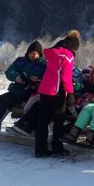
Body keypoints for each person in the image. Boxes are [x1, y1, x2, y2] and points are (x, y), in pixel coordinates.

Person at [0, 40, 46, 140]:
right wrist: (16, 77)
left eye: (37, 54)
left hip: (28, 94)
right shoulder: (21, 61)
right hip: (15, 91)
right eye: (32, 53)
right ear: (28, 53)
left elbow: (43, 78)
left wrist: (33, 80)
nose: (34, 55)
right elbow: (10, 71)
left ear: (40, 54)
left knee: (7, 102)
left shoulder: (42, 65)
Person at [34, 30, 80, 158]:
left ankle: (40, 149)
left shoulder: (53, 53)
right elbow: (66, 77)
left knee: (42, 121)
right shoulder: (67, 55)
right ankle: (57, 148)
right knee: (59, 121)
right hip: (56, 92)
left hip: (44, 90)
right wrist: (70, 93)